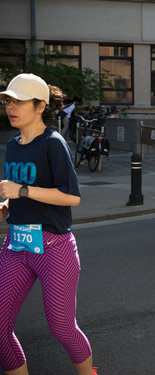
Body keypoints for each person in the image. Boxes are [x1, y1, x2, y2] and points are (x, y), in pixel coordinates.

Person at [0, 73, 93, 374]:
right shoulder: (13, 145)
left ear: (40, 106)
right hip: (16, 244)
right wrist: (6, 206)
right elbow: (20, 192)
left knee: (62, 328)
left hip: (53, 248)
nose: (11, 107)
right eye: (8, 101)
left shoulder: (53, 144)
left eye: (19, 102)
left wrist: (22, 191)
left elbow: (71, 197)